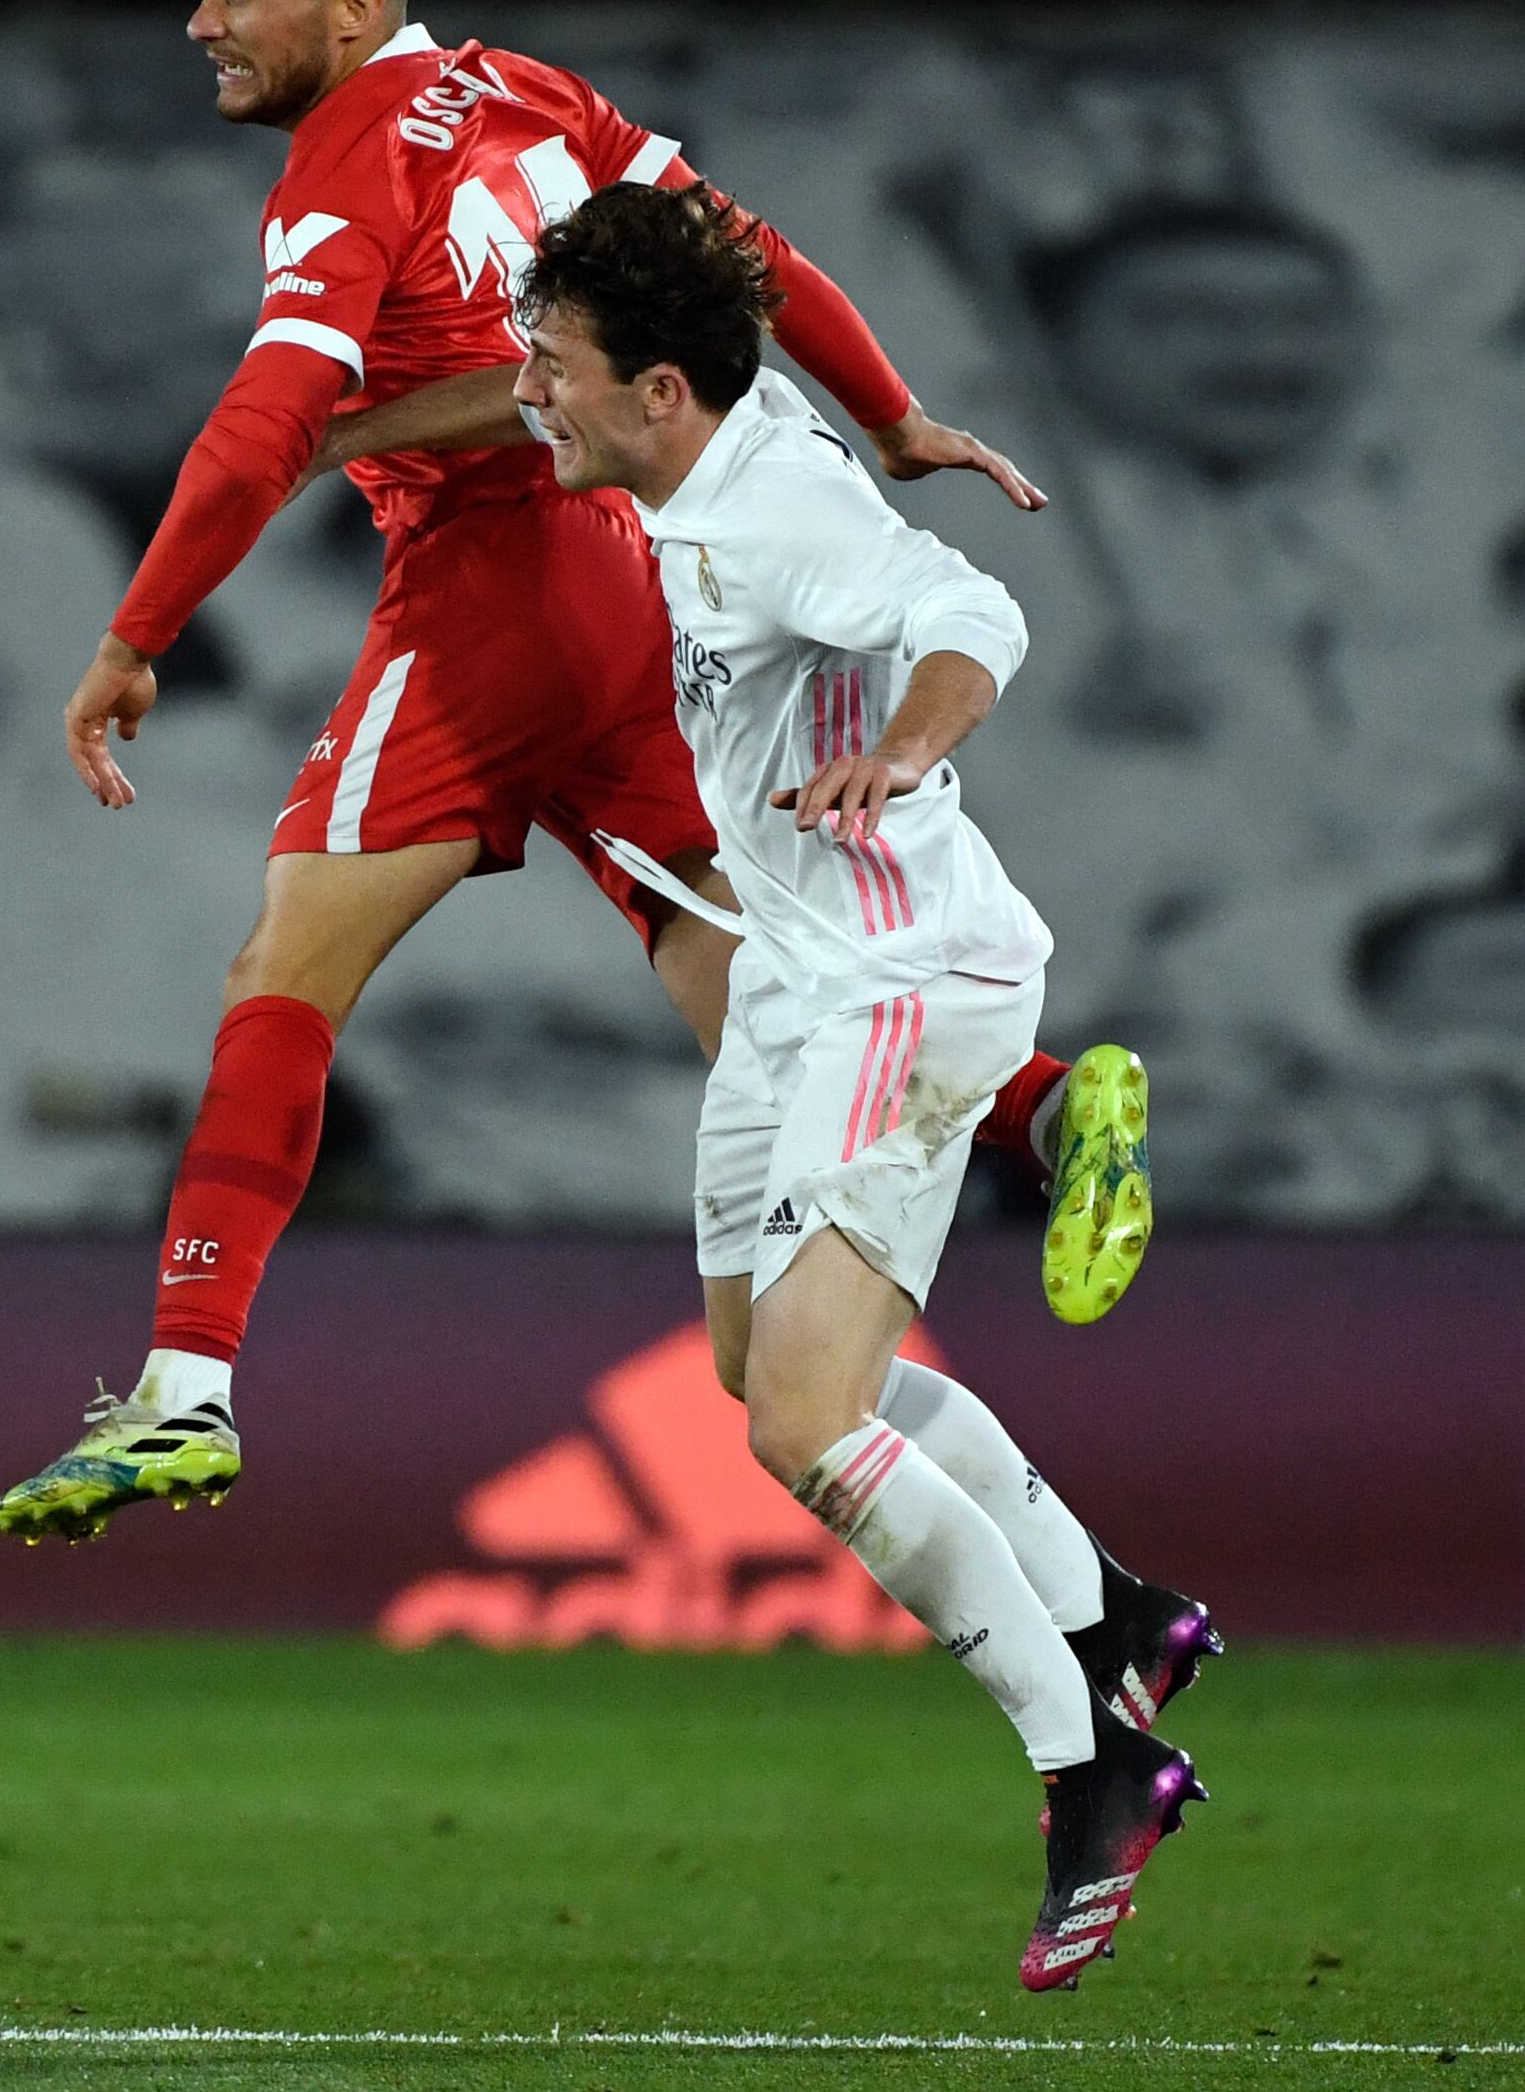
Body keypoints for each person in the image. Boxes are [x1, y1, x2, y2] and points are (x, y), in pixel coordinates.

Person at [0, 0, 1150, 1542]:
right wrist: (889, 408)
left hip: (490, 595)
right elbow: (736, 248)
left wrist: (137, 634)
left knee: (285, 964)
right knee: (748, 982)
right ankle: (1042, 1112)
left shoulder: (339, 170)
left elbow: (262, 424)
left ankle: (183, 1391)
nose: (199, 22)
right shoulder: (520, 86)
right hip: (644, 577)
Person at [509, 181, 1216, 1989]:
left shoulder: (772, 509)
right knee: (770, 1371)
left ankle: (1093, 1765)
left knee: (803, 1425)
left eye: (557, 363)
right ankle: (1119, 1610)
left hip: (905, 980)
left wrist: (903, 746)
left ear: (660, 390)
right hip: (793, 991)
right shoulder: (698, 471)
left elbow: (966, 607)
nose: (532, 389)